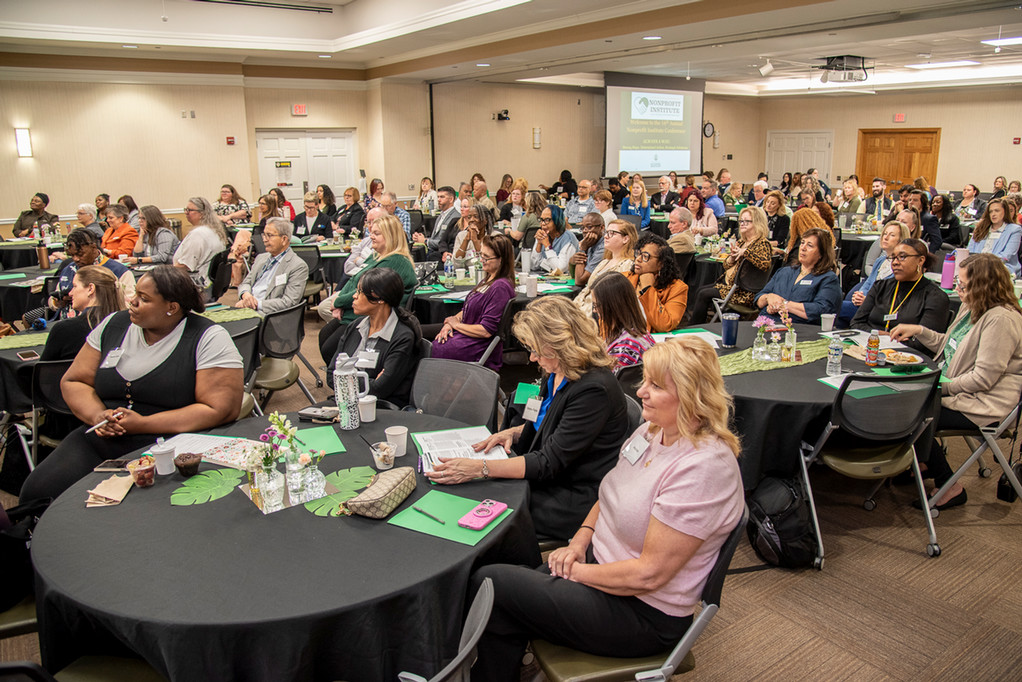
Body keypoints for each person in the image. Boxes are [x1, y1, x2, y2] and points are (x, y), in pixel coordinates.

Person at [470, 337, 744, 682]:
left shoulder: (703, 468)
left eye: (656, 386)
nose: (641, 391)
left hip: (641, 612)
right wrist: (579, 541)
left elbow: (649, 575)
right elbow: (609, 493)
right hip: (602, 569)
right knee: (499, 579)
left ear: (692, 396)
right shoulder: (651, 432)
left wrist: (575, 572)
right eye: (645, 381)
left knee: (490, 584)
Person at [19, 266, 243, 503]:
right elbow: (74, 381)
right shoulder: (113, 325)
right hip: (103, 436)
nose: (132, 302)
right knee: (37, 493)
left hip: (172, 443)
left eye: (144, 299)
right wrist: (97, 415)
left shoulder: (207, 337)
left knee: (138, 510)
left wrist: (143, 424)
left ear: (172, 307)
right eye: (135, 294)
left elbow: (220, 409)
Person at [428, 295, 629, 542]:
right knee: (479, 489)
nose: (533, 358)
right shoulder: (557, 369)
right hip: (550, 477)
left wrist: (480, 468)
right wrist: (513, 432)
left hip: (573, 494)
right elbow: (551, 422)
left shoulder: (593, 389)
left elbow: (549, 462)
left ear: (559, 344)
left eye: (535, 349)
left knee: (483, 507)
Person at [891, 254, 1022, 511]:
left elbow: (983, 379)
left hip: (984, 403)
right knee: (901, 400)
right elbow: (952, 346)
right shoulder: (973, 306)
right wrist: (919, 330)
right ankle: (925, 462)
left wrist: (937, 387)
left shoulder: (1001, 320)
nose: (957, 289)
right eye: (958, 283)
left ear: (984, 287)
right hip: (957, 388)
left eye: (963, 285)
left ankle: (949, 484)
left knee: (909, 414)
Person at [318, 215, 417, 362]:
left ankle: (349, 374)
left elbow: (368, 291)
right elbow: (353, 279)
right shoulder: (376, 256)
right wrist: (338, 301)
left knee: (330, 350)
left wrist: (338, 302)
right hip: (357, 311)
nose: (371, 237)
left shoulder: (396, 261)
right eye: (371, 233)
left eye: (376, 233)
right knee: (324, 336)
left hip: (373, 317)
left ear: (390, 236)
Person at [325, 267, 423, 406]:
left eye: (359, 292)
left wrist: (344, 377)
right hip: (346, 401)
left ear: (379, 298)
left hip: (379, 408)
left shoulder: (402, 337)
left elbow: (380, 389)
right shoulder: (355, 327)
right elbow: (331, 375)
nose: (354, 296)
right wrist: (369, 382)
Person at [429, 234, 517, 370]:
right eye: (481, 255)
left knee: (433, 349)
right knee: (429, 343)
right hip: (468, 337)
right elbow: (468, 309)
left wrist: (456, 325)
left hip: (478, 346)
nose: (482, 260)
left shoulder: (500, 287)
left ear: (501, 260)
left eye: (486, 257)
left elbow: (486, 330)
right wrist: (450, 323)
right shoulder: (488, 279)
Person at [851, 238, 950, 353]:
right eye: (893, 258)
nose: (895, 262)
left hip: (907, 356)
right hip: (870, 349)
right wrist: (880, 335)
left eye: (902, 257)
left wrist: (887, 339)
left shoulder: (935, 297)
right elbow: (856, 323)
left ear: (920, 260)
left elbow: (924, 343)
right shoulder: (881, 286)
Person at [687, 206, 774, 325]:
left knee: (704, 294)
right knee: (701, 289)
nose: (742, 224)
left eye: (746, 221)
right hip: (731, 286)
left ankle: (695, 326)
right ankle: (702, 323)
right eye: (741, 221)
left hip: (745, 292)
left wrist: (746, 252)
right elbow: (726, 266)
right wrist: (732, 258)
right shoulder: (743, 242)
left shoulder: (762, 244)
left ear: (757, 222)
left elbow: (765, 264)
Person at [756, 227, 841, 324]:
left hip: (799, 328)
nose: (803, 248)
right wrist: (768, 297)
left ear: (821, 253)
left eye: (810, 245)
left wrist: (784, 305)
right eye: (802, 243)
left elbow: (822, 310)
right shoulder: (784, 272)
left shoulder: (828, 278)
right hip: (767, 324)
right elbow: (758, 300)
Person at [41, 265, 126, 361]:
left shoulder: (65, 329)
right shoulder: (126, 325)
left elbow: (44, 368)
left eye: (75, 286)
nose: (70, 293)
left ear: (90, 289)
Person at [839, 220, 910, 325]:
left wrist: (868, 301)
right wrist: (859, 295)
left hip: (878, 310)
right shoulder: (880, 260)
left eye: (892, 235)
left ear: (901, 240)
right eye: (885, 234)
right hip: (864, 304)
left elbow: (893, 298)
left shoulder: (901, 267)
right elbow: (868, 283)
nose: (885, 238)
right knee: (837, 319)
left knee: (835, 307)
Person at [235, 217, 309, 314]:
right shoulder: (261, 258)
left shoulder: (297, 266)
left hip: (269, 314)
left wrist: (256, 304)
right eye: (264, 235)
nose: (264, 240)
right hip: (247, 307)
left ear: (284, 239)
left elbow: (289, 301)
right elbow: (246, 283)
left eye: (269, 235)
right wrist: (246, 295)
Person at [574, 219, 637, 316]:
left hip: (596, 314)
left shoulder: (628, 265)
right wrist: (573, 307)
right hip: (581, 309)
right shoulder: (604, 262)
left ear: (625, 239)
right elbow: (587, 289)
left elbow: (613, 299)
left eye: (612, 233)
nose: (606, 236)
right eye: (606, 232)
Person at [591, 272, 654, 367]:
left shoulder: (625, 348)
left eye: (597, 305)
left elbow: (610, 376)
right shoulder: (635, 333)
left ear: (613, 306)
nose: (594, 310)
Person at [627, 234, 688, 333]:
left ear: (661, 263)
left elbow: (665, 325)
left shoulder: (677, 288)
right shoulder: (626, 278)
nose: (638, 259)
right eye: (638, 253)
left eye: (645, 256)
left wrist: (647, 289)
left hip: (653, 340)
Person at [174, 196, 230, 295]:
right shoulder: (215, 230)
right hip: (209, 284)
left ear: (202, 214)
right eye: (186, 209)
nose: (186, 213)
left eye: (190, 210)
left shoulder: (198, 234)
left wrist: (168, 270)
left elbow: (185, 265)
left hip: (197, 287)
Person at [967, 198, 1022, 277]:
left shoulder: (1014, 229)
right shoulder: (980, 228)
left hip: (1001, 266)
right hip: (976, 265)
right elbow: (970, 250)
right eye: (991, 211)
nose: (993, 214)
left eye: (997, 211)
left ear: (1005, 212)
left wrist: (985, 264)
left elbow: (1006, 256)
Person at [413, 185, 461, 261]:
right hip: (433, 251)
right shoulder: (440, 216)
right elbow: (435, 238)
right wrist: (421, 238)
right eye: (438, 197)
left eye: (442, 197)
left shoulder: (455, 217)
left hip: (443, 254)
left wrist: (426, 241)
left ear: (451, 199)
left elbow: (446, 243)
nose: (438, 200)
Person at [532, 205, 579, 274]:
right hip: (546, 276)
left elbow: (560, 269)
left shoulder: (568, 238)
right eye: (541, 220)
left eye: (547, 220)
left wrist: (547, 246)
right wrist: (539, 244)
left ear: (557, 221)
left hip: (567, 278)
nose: (543, 224)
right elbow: (534, 266)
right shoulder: (543, 235)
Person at [571, 212, 606, 288]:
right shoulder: (588, 242)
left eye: (589, 227)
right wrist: (572, 262)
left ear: (601, 228)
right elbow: (572, 274)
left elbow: (579, 281)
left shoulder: (604, 247)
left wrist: (583, 249)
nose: (584, 230)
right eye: (583, 227)